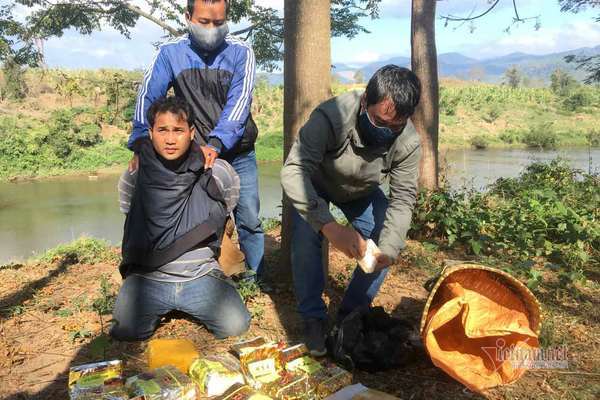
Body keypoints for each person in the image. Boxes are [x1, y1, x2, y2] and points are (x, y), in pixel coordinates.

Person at [280, 65, 422, 356]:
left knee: (386, 236)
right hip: (317, 185)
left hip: (362, 193)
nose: (386, 132)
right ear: (363, 103)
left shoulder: (408, 141)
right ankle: (313, 318)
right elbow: (294, 170)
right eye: (380, 121)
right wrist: (330, 227)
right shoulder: (331, 116)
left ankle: (350, 315)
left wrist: (389, 250)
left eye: (395, 127)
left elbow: (403, 198)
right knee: (306, 236)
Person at [128, 0, 264, 281]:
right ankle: (205, 275)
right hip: (195, 155)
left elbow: (239, 105)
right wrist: (142, 142)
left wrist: (216, 143)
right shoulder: (169, 53)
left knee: (249, 216)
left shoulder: (241, 52)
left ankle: (257, 278)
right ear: (188, 17)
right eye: (204, 22)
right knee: (199, 216)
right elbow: (148, 96)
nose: (211, 30)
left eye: (218, 23)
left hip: (237, 150)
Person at [110, 96, 250, 341]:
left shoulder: (216, 172)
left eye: (178, 130)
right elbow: (130, 216)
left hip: (201, 275)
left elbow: (226, 208)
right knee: (126, 331)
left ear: (192, 133)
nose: (171, 139)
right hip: (147, 278)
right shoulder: (134, 175)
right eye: (162, 130)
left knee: (236, 326)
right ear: (150, 133)